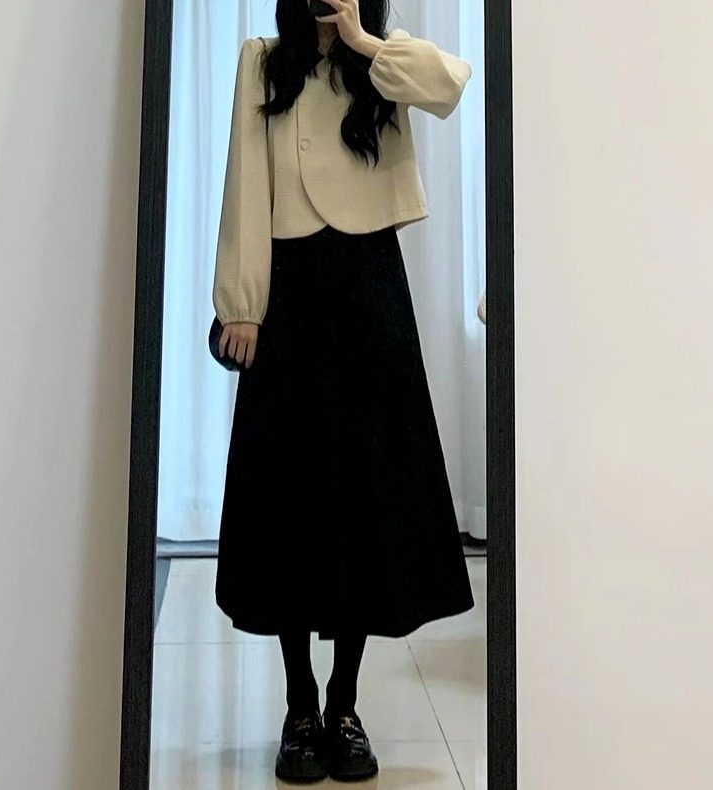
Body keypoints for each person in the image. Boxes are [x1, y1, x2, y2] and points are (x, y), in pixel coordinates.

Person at [211, 0, 476, 782]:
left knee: (366, 499)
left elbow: (451, 84)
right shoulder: (263, 60)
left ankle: (345, 707)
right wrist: (242, 302)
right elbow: (243, 183)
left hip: (371, 290)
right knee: (291, 500)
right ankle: (299, 707)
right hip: (290, 293)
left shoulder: (385, 59)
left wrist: (362, 40)